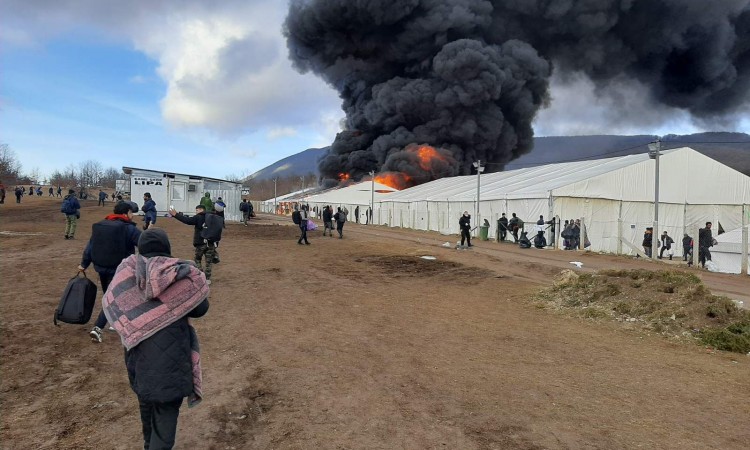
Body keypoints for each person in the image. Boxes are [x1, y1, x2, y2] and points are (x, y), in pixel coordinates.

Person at [102, 228, 209, 450]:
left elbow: (113, 304)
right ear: (166, 248)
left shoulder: (126, 273)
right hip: (173, 363)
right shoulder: (178, 274)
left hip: (139, 360)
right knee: (165, 421)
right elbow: (201, 309)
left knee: (147, 409)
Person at [79, 201, 141, 343]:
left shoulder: (101, 226)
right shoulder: (128, 228)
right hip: (119, 269)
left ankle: (115, 323)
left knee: (110, 295)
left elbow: (90, 246)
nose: (132, 216)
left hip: (101, 267)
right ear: (126, 213)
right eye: (131, 213)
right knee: (114, 300)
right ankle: (97, 328)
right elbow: (145, 243)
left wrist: (84, 264)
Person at [170, 205, 218, 282]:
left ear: (202, 209)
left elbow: (187, 220)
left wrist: (176, 215)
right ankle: (208, 278)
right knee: (208, 262)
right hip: (211, 243)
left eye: (197, 210)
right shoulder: (213, 217)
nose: (196, 212)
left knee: (198, 259)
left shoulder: (198, 217)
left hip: (200, 243)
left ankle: (201, 277)